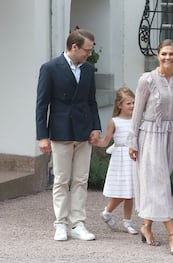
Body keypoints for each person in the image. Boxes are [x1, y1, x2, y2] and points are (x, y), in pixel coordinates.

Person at [126, 39, 173, 256]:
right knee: (159, 186)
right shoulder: (146, 80)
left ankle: (146, 227)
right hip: (149, 137)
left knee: (159, 183)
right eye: (164, 54)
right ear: (158, 55)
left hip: (171, 136)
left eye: (172, 54)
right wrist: (132, 141)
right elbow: (137, 113)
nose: (168, 58)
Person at [36, 28, 101, 241]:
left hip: (83, 130)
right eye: (86, 50)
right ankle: (61, 224)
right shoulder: (50, 68)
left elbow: (91, 101)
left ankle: (78, 223)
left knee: (81, 180)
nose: (89, 54)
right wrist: (42, 136)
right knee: (61, 180)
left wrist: (96, 127)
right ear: (74, 47)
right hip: (60, 130)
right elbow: (42, 104)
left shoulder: (89, 69)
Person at [95, 87, 138, 235]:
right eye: (128, 103)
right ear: (120, 105)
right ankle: (107, 212)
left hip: (133, 157)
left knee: (130, 192)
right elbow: (105, 141)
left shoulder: (136, 121)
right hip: (120, 158)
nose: (132, 106)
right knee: (123, 192)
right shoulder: (114, 122)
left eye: (133, 103)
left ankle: (127, 221)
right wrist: (93, 141)